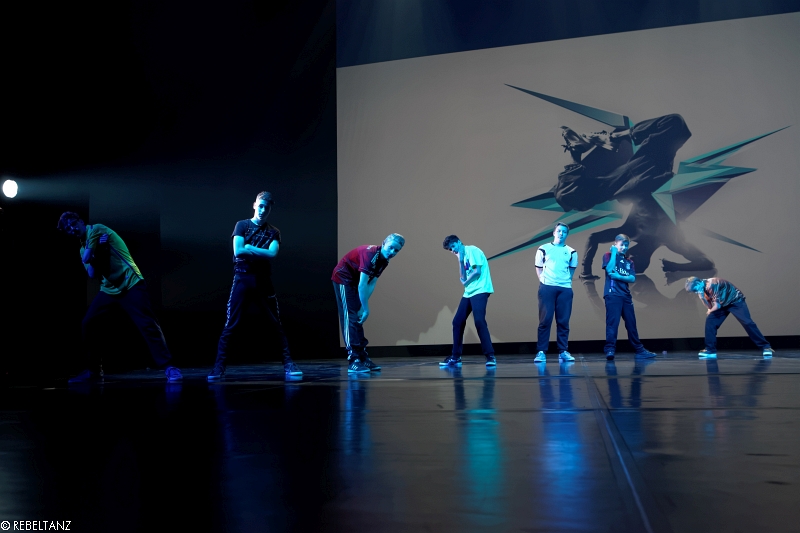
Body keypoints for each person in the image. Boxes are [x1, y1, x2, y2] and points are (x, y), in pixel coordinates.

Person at [57, 212, 182, 383]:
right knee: (88, 323)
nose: (72, 229)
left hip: (130, 283)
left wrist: (93, 253)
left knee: (147, 324)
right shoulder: (82, 248)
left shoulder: (97, 229)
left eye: (73, 224)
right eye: (68, 229)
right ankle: (94, 370)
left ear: (80, 221)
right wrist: (97, 251)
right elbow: (92, 273)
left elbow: (87, 258)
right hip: (109, 289)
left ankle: (169, 367)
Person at [208, 191, 302, 381]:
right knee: (231, 324)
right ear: (254, 205)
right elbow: (238, 251)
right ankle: (218, 367)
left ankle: (288, 364)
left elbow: (272, 254)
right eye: (260, 206)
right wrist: (257, 251)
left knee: (275, 324)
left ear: (269, 209)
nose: (262, 210)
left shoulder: (274, 231)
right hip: (242, 279)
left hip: (263, 281)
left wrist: (250, 248)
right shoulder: (242, 225)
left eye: (266, 207)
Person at [332, 234, 405, 373]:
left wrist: (362, 306)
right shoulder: (370, 254)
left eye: (396, 250)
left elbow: (372, 283)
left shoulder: (384, 261)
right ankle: (353, 359)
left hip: (356, 282)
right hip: (343, 279)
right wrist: (366, 309)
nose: (392, 252)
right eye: (390, 248)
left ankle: (362, 356)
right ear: (383, 243)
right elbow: (362, 284)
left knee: (358, 318)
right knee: (350, 317)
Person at [439, 236, 496, 367]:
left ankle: (490, 356)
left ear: (459, 242)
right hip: (469, 292)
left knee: (479, 320)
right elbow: (462, 277)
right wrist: (460, 261)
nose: (453, 250)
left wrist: (465, 282)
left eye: (453, 247)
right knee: (457, 321)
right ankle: (456, 356)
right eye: (450, 250)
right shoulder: (462, 257)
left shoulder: (472, 250)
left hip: (480, 289)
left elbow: (477, 272)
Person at [684, 276, 774, 358]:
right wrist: (702, 297)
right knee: (710, 322)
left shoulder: (712, 284)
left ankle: (766, 347)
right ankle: (710, 350)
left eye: (694, 290)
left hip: (735, 302)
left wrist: (710, 311)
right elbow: (710, 307)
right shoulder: (702, 290)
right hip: (722, 304)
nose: (695, 292)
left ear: (698, 283)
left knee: (747, 323)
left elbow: (717, 306)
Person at [601, 234, 657, 361]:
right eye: (622, 245)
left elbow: (632, 278)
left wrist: (619, 277)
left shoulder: (629, 261)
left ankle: (639, 350)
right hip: (612, 294)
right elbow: (609, 270)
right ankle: (610, 349)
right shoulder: (608, 255)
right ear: (615, 244)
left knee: (631, 324)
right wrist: (614, 253)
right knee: (612, 324)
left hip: (625, 296)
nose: (624, 247)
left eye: (626, 245)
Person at [534, 223, 578, 363]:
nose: (561, 233)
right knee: (545, 320)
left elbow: (571, 270)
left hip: (564, 289)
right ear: (554, 233)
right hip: (547, 287)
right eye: (558, 231)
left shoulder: (571, 252)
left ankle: (563, 351)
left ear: (567, 234)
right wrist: (544, 281)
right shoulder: (544, 248)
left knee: (563, 321)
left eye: (564, 232)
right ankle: (541, 351)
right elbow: (539, 267)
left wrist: (565, 282)